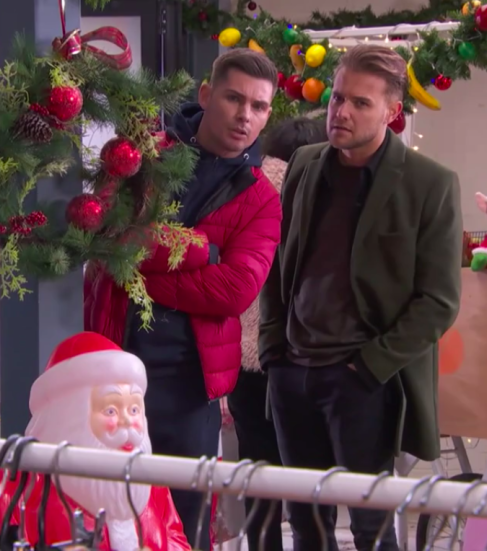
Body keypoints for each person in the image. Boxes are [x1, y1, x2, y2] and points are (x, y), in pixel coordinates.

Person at [258, 45, 463, 550]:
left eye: (360, 104)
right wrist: (272, 347)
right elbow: (279, 259)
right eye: (336, 97)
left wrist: (369, 367)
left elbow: (438, 300)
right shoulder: (305, 164)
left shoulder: (429, 184)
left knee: (372, 530)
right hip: (293, 371)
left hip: (361, 379)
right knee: (304, 526)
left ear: (391, 113)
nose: (341, 112)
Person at [84, 48, 283, 547]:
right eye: (234, 98)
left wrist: (138, 270)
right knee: (105, 512)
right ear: (205, 95)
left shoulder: (260, 197)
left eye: (258, 106)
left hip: (189, 382)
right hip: (112, 359)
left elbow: (234, 290)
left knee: (186, 520)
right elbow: (104, 231)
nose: (244, 115)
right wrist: (202, 251)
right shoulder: (142, 154)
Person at [0, 332, 190, 551]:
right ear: (72, 415)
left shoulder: (152, 483)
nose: (127, 422)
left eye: (134, 409)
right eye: (110, 410)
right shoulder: (13, 483)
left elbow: (177, 539)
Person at [231, 116, 327, 551]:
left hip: (249, 359)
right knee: (316, 481)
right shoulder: (327, 197)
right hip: (307, 361)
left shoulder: (249, 193)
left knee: (258, 475)